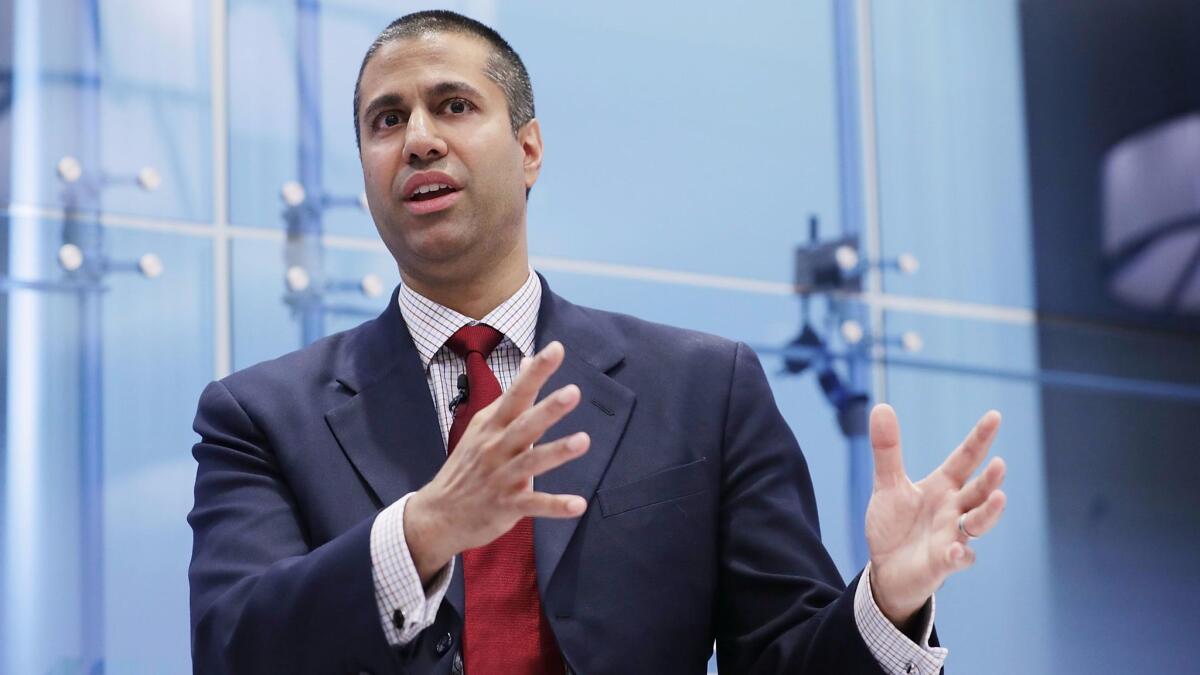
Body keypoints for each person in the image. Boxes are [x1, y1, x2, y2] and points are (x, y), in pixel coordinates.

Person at [187, 10, 1008, 675]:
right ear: (366, 171)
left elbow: (786, 659)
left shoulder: (702, 389)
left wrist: (888, 604)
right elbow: (231, 649)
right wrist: (422, 533)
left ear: (530, 148)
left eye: (455, 105)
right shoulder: (258, 415)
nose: (419, 139)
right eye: (386, 120)